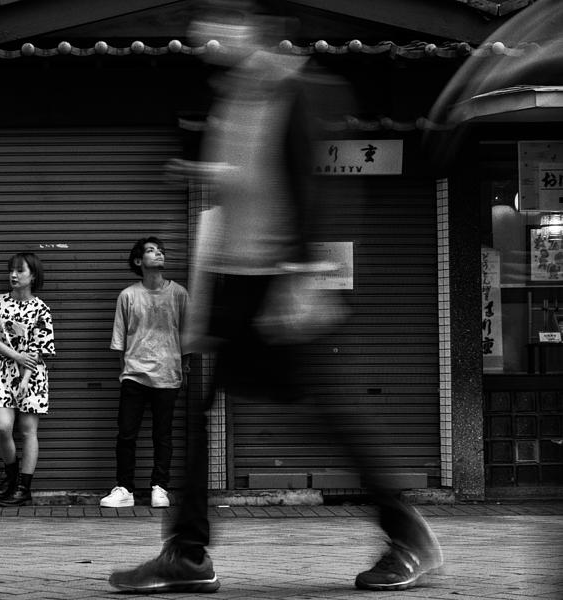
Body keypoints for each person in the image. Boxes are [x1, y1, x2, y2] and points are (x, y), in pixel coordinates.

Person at [109, 2, 443, 594]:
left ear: (253, 29)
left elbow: (317, 187)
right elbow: (239, 187)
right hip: (234, 280)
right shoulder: (234, 97)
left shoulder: (300, 89)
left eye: (216, 21)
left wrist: (302, 276)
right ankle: (187, 552)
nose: (200, 34)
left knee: (330, 413)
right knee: (199, 411)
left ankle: (408, 535)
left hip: (276, 279)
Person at [100, 237, 189, 509]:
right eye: (151, 250)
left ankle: (159, 488)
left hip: (167, 375)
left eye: (160, 250)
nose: (158, 253)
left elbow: (187, 336)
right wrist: (125, 371)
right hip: (134, 376)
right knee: (126, 434)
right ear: (139, 261)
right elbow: (119, 341)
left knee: (162, 435)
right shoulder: (128, 295)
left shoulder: (178, 294)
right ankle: (124, 489)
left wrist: (181, 367)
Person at [0, 252, 55, 507]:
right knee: (2, 427)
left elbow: (39, 347)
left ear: (33, 275)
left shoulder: (41, 308)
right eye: (11, 270)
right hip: (3, 371)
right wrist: (16, 357)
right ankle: (10, 477)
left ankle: (24, 487)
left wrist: (25, 376)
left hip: (32, 374)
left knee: (28, 431)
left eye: (20, 271)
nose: (13, 275)